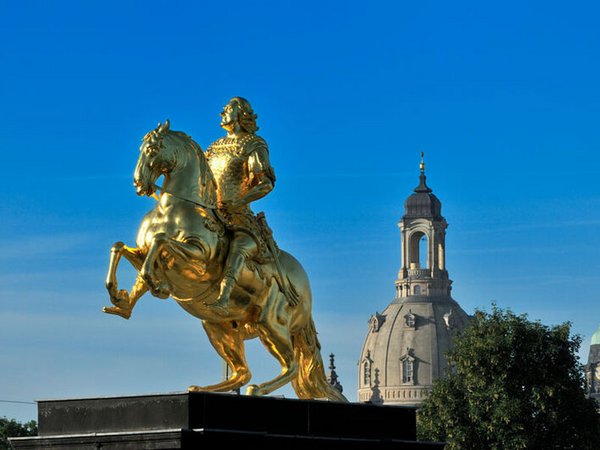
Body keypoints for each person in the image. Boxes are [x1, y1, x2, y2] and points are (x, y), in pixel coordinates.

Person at [205, 97, 276, 315]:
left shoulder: (253, 144)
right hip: (212, 213)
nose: (222, 113)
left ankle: (224, 297)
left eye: (227, 109)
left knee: (238, 249)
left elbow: (265, 183)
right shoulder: (213, 147)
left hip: (239, 217)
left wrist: (239, 201)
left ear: (240, 114)